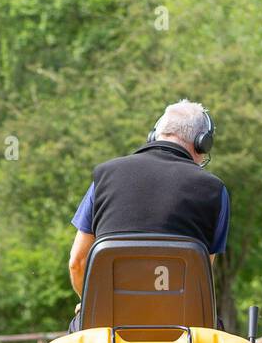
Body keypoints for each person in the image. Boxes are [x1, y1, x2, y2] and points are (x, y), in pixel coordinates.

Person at [67, 99, 230, 322]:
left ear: (155, 134)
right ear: (202, 143)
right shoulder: (215, 190)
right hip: (181, 327)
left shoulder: (104, 176)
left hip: (108, 324)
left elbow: (77, 263)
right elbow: (200, 276)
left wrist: (91, 304)